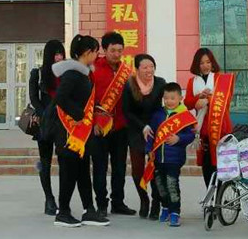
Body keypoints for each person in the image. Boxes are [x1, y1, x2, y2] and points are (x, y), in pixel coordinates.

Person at [51, 35, 110, 228]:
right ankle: (63, 212)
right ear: (87, 52)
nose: (97, 55)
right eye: (96, 52)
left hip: (82, 135)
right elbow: (60, 98)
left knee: (83, 172)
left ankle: (89, 210)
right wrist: (78, 115)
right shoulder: (72, 74)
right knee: (69, 173)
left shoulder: (84, 74)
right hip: (70, 135)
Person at [90, 32, 136, 217]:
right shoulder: (94, 69)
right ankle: (101, 204)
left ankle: (118, 202)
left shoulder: (126, 71)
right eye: (113, 50)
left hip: (121, 126)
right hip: (100, 127)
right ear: (104, 50)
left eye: (120, 51)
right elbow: (88, 100)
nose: (117, 54)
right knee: (100, 167)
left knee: (119, 167)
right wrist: (94, 122)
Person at [145, 83, 196, 227]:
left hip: (174, 159)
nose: (169, 101)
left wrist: (179, 139)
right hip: (158, 158)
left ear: (180, 98)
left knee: (172, 185)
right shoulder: (158, 114)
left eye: (172, 98)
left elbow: (191, 135)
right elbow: (151, 134)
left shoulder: (185, 116)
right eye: (166, 98)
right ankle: (165, 207)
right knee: (160, 185)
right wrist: (149, 149)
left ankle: (175, 212)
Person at [122, 53, 166, 219]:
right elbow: (127, 112)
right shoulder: (129, 85)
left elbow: (166, 105)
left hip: (155, 130)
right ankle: (144, 199)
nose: (149, 70)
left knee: (155, 167)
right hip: (136, 130)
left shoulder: (160, 83)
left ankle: (156, 202)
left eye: (151, 67)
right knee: (138, 170)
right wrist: (142, 126)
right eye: (145, 67)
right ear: (137, 69)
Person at [184, 48, 233, 188]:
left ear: (212, 63)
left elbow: (226, 101)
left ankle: (220, 196)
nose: (205, 66)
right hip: (202, 130)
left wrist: (208, 99)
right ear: (197, 65)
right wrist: (198, 98)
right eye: (201, 63)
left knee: (222, 166)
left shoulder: (220, 79)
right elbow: (187, 103)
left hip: (220, 128)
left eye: (208, 62)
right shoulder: (192, 82)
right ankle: (211, 196)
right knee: (207, 167)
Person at [28, 39, 65, 216]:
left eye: (61, 54)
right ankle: (49, 199)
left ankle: (63, 200)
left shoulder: (66, 73)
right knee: (45, 162)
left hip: (63, 123)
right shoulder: (38, 73)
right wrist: (44, 115)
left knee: (65, 161)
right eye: (56, 54)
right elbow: (34, 98)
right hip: (45, 124)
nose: (59, 57)